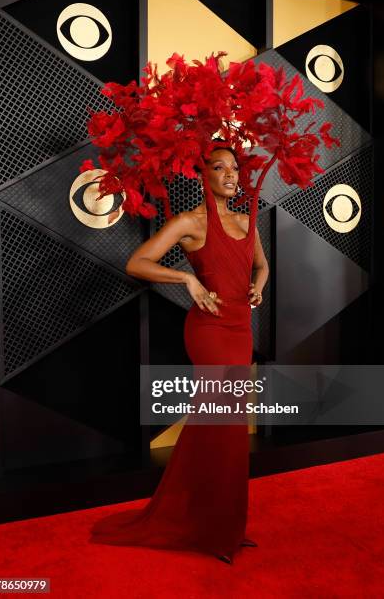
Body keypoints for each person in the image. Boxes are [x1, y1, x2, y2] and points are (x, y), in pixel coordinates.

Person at [90, 145, 269, 564]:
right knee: (221, 424)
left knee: (227, 426)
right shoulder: (190, 222)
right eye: (219, 167)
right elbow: (137, 263)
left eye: (234, 168)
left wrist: (259, 286)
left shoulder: (248, 221)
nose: (230, 175)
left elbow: (261, 266)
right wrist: (186, 279)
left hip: (240, 329)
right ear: (202, 174)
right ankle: (209, 527)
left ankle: (224, 523)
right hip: (208, 330)